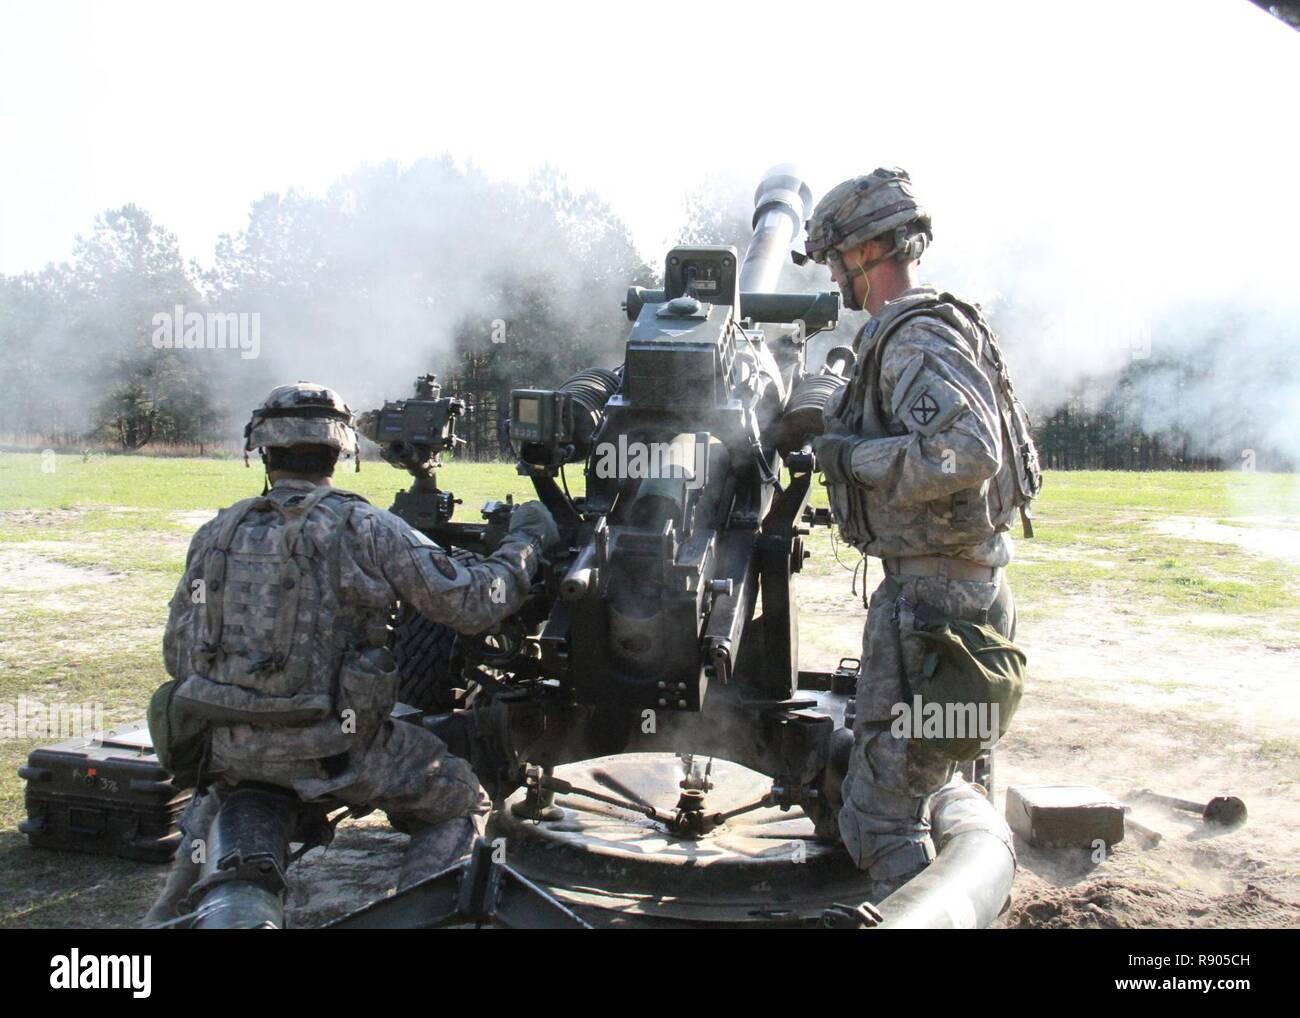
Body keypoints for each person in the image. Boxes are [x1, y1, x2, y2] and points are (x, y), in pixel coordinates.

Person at [144, 381, 560, 924]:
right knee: (458, 796)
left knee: (215, 805)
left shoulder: (216, 531)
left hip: (228, 752)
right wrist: (524, 543)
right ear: (343, 452)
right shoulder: (366, 527)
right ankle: (425, 913)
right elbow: (475, 603)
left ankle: (174, 912)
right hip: (335, 752)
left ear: (263, 452)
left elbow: (178, 653)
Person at [804, 169, 1041, 896]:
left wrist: (849, 457)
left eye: (839, 257)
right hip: (946, 595)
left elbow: (970, 451)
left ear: (871, 249)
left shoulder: (913, 336)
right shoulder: (938, 323)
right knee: (912, 783)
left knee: (881, 816)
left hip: (935, 611)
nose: (836, 275)